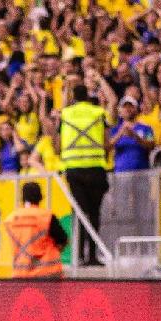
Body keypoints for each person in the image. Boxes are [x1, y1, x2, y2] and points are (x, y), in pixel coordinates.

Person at [59, 85, 109, 266]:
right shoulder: (98, 112)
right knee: (94, 214)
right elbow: (106, 140)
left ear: (73, 96)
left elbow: (58, 141)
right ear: (88, 96)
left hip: (74, 169)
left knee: (79, 213)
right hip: (95, 167)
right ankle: (92, 256)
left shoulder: (65, 114)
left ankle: (78, 255)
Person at [3, 182, 68, 278]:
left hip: (21, 274)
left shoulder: (10, 219)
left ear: (23, 198)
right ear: (40, 197)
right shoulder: (47, 216)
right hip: (47, 273)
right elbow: (62, 239)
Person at [108, 96, 155, 172]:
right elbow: (108, 147)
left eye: (131, 106)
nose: (127, 109)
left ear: (136, 109)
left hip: (142, 172)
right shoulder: (114, 130)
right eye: (124, 107)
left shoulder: (147, 128)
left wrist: (135, 136)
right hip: (121, 173)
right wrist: (119, 134)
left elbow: (151, 145)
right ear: (120, 110)